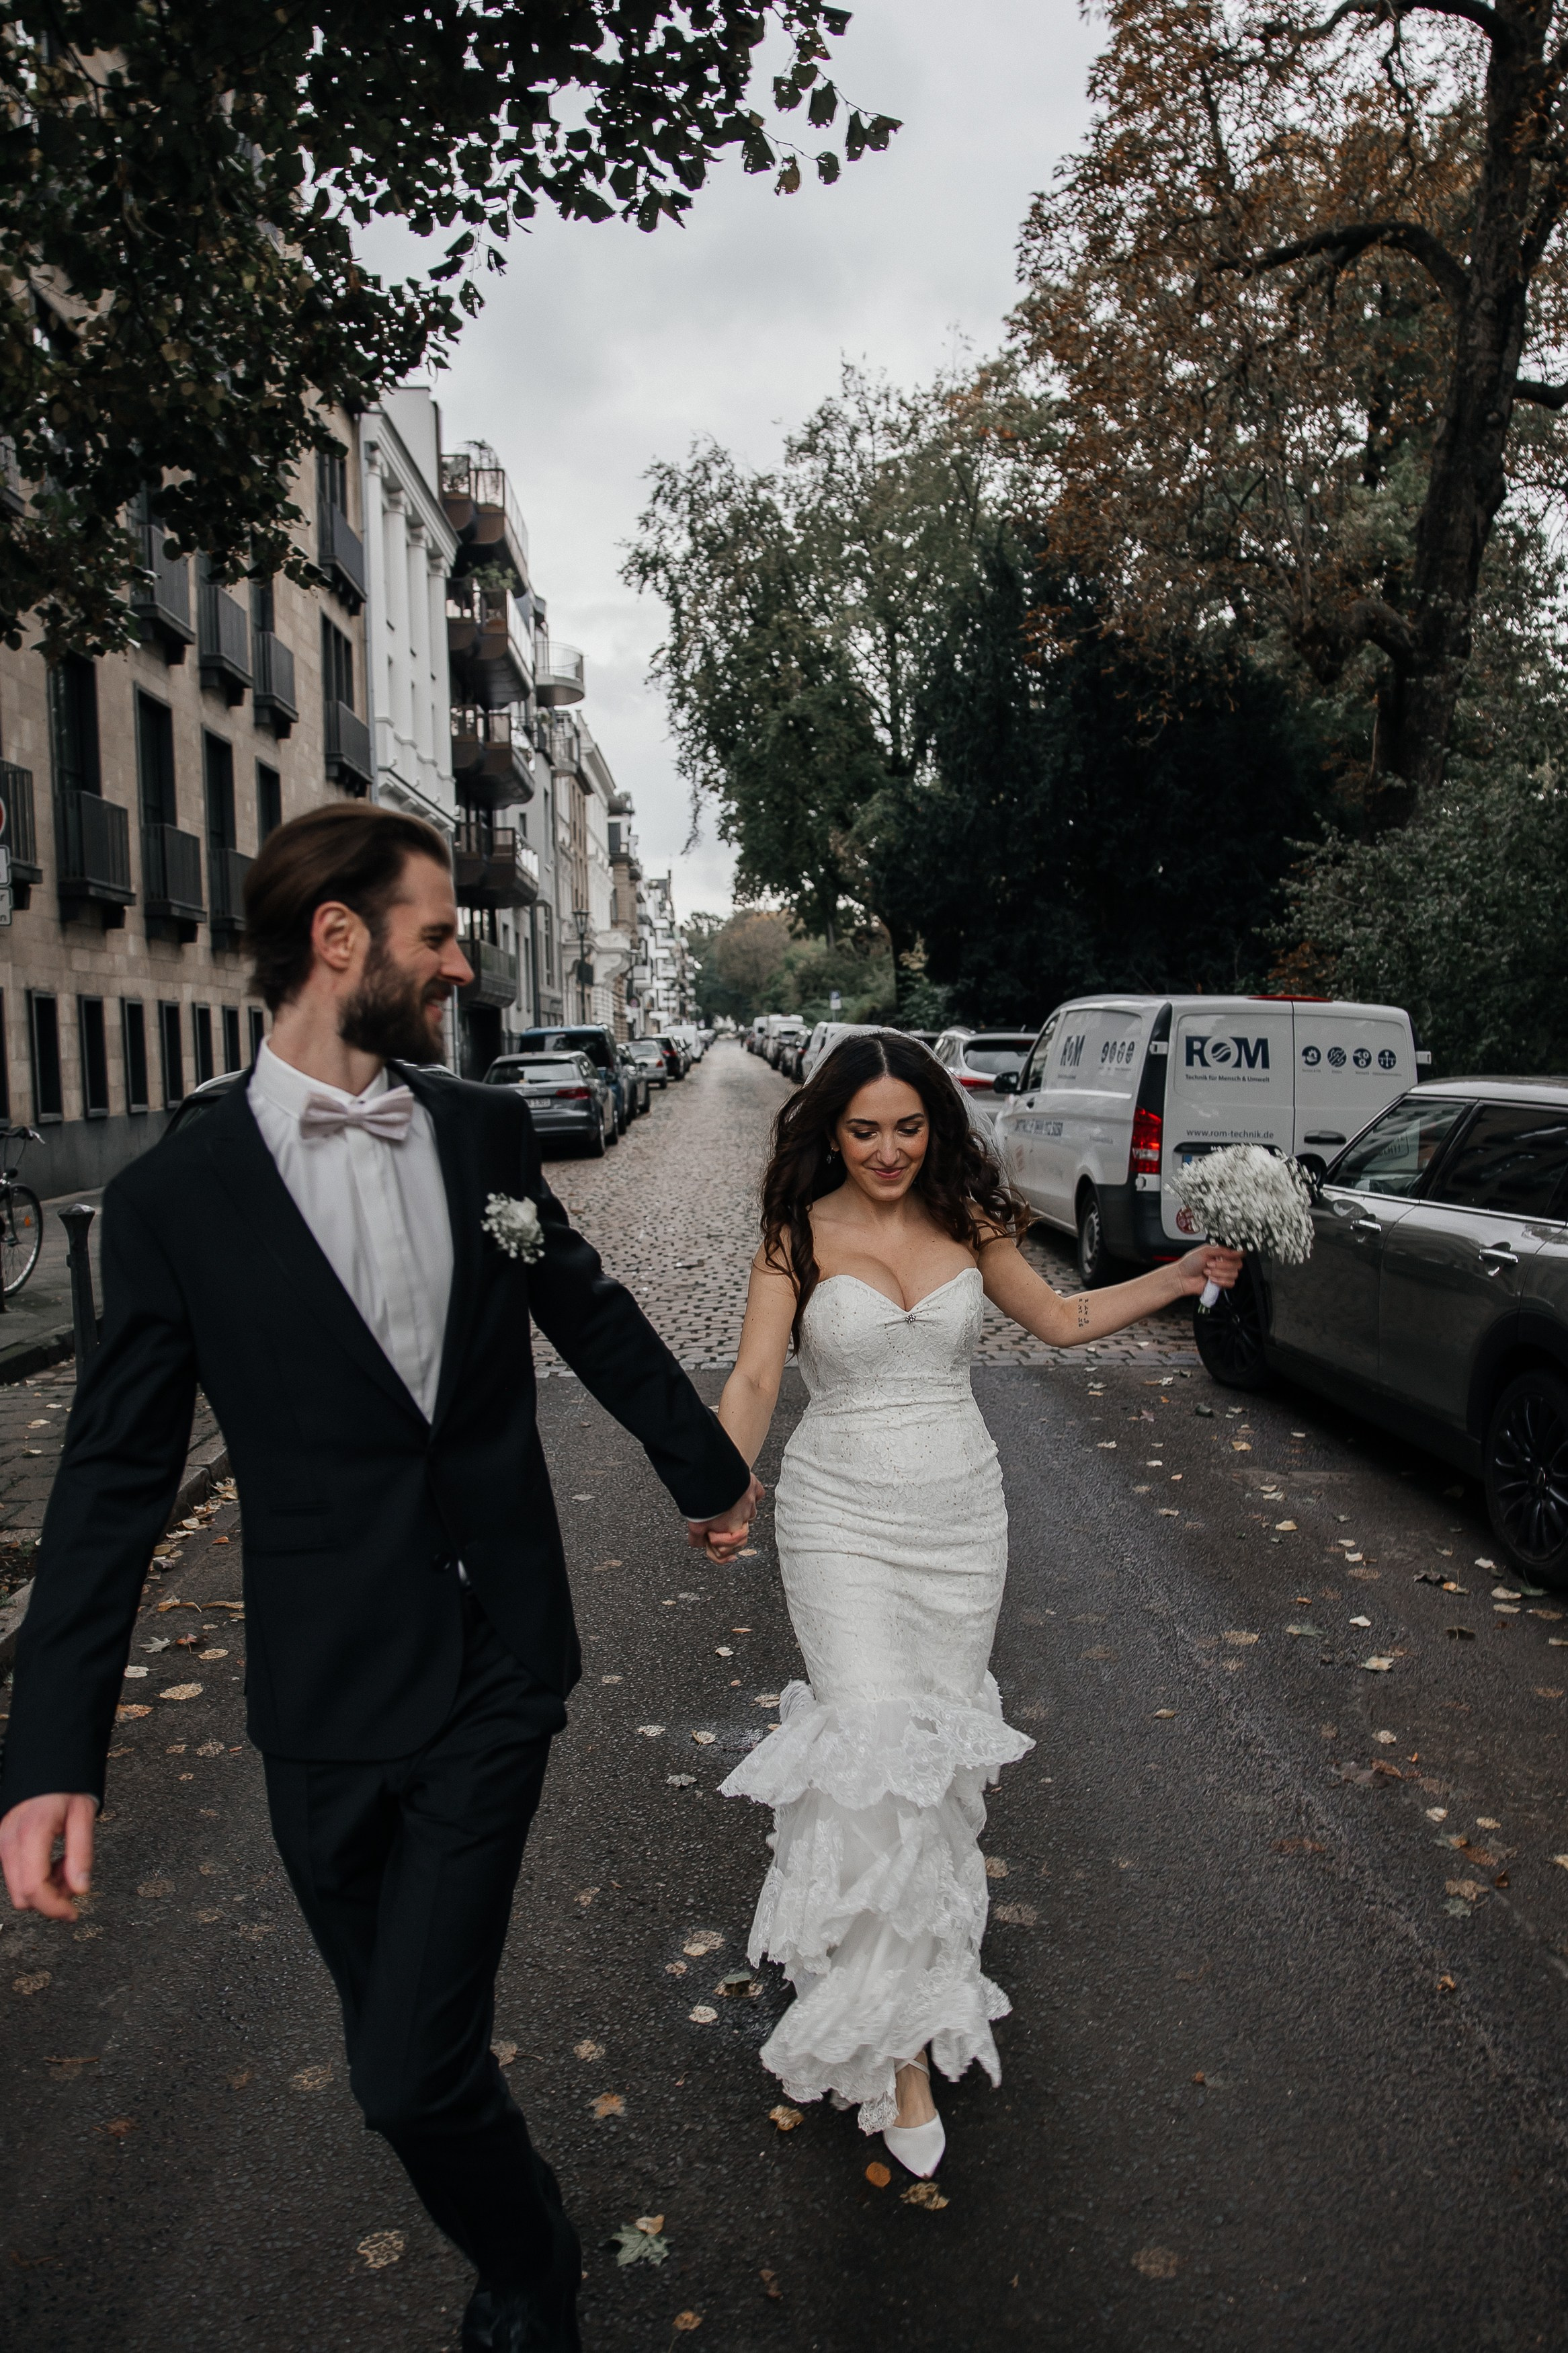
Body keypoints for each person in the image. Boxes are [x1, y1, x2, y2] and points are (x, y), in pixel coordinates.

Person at [0, 803, 759, 2353]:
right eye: (435, 933)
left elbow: (587, 1307)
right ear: (336, 940)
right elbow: (110, 1487)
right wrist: (50, 1752)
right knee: (408, 2047)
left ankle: (532, 2271)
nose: (457, 962)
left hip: (493, 1655)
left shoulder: (480, 1130)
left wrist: (710, 1466)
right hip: (324, 1699)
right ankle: (517, 2234)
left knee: (405, 2069)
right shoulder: (172, 1203)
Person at [708, 1032, 1241, 2178]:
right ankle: (896, 2056)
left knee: (932, 1766)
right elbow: (755, 1376)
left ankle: (913, 1972)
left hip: (961, 1522)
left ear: (935, 1129)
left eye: (908, 1128)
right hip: (839, 1516)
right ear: (831, 1132)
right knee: (872, 1750)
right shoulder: (795, 1234)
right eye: (864, 1130)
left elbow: (1061, 1323)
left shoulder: (970, 1225)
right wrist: (718, 1488)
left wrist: (1182, 1272)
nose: (888, 1150)